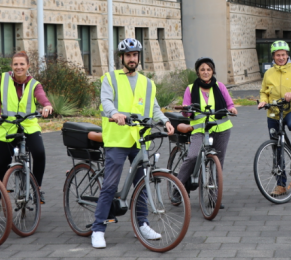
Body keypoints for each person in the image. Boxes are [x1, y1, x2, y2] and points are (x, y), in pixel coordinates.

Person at [91, 38, 174, 249]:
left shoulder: (147, 83)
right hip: (117, 138)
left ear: (138, 57)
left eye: (135, 55)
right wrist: (115, 113)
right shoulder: (110, 79)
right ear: (122, 58)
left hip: (139, 139)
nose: (132, 58)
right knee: (110, 184)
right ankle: (98, 229)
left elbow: (154, 107)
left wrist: (165, 121)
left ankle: (142, 224)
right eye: (128, 55)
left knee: (141, 184)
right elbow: (106, 101)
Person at [0, 51, 53, 209]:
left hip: (28, 125)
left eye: (22, 64)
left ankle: (37, 189)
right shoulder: (4, 79)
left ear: (28, 66)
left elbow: (41, 97)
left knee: (39, 153)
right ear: (12, 66)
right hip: (7, 125)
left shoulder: (34, 84)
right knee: (2, 164)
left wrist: (46, 105)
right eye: (16, 64)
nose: (19, 67)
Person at [173, 57, 237, 207]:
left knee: (217, 163)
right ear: (198, 72)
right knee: (192, 156)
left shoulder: (220, 86)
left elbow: (230, 104)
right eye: (202, 69)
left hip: (221, 129)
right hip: (199, 130)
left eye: (208, 69)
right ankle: (178, 188)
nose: (206, 72)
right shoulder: (190, 89)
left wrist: (232, 109)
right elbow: (186, 109)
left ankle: (213, 197)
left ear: (213, 71)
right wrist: (185, 111)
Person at [257, 40, 291, 196]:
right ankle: (281, 185)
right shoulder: (268, 73)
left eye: (283, 55)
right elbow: (264, 91)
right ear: (273, 56)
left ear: (287, 55)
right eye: (277, 55)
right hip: (273, 111)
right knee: (277, 148)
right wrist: (263, 101)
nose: (281, 57)